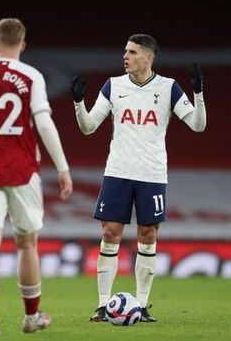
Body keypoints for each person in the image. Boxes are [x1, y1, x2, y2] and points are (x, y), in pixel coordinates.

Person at [70, 34, 206, 323]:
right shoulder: (114, 85)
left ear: (148, 57)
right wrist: (79, 103)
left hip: (152, 173)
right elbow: (89, 127)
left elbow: (197, 125)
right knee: (109, 234)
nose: (126, 56)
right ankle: (102, 306)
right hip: (117, 171)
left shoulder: (168, 87)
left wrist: (198, 95)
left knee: (148, 236)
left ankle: (142, 305)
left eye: (132, 52)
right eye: (125, 51)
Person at [0, 18, 73, 335]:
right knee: (26, 244)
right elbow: (44, 124)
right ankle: (32, 316)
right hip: (22, 170)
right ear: (22, 44)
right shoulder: (30, 76)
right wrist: (62, 167)